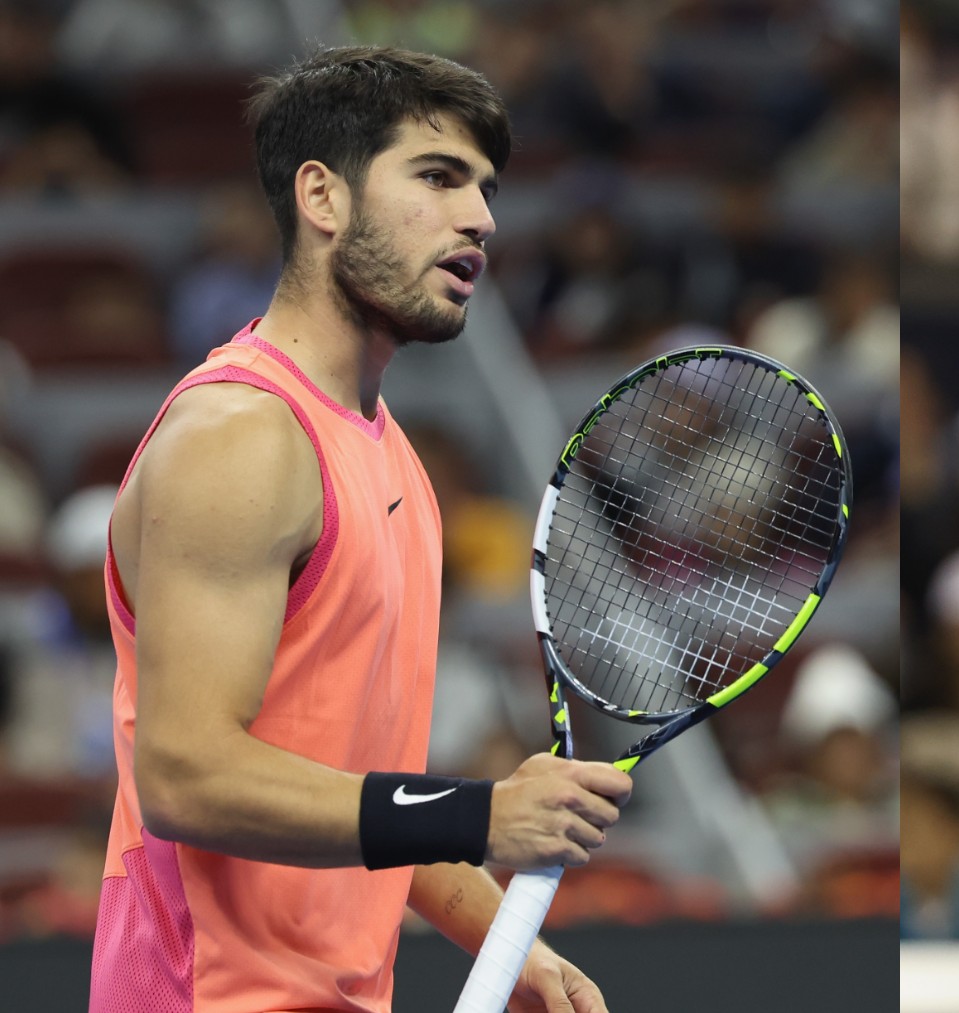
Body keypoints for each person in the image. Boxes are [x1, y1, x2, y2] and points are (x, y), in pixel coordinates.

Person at [92, 47, 631, 1013]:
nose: (480, 217)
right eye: (437, 176)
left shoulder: (392, 459)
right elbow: (186, 774)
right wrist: (479, 813)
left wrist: (507, 939)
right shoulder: (242, 439)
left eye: (487, 187)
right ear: (322, 198)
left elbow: (343, 787)